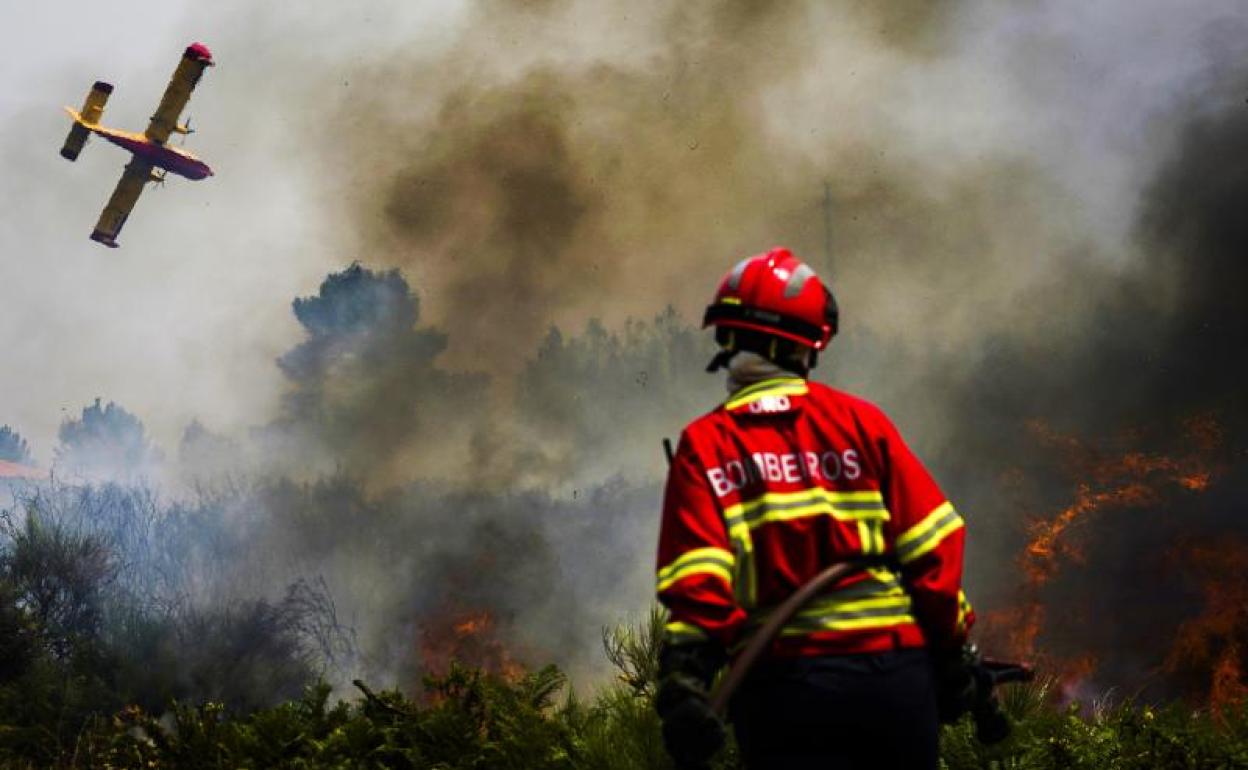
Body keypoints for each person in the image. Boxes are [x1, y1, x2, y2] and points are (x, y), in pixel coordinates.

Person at [654, 247, 976, 769]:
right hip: (893, 682)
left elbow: (698, 589)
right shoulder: (861, 423)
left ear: (726, 339)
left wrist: (683, 686)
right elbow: (934, 550)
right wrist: (952, 653)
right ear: (809, 347)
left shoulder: (707, 444)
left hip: (785, 690)